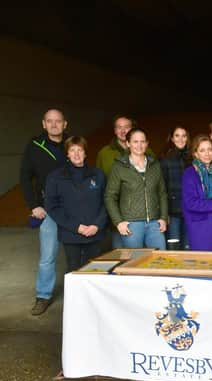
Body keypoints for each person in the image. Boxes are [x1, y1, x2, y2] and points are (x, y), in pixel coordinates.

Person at [20, 108, 68, 315]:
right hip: (48, 209)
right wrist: (33, 205)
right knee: (48, 256)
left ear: (65, 124)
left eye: (58, 121)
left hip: (73, 209)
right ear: (44, 124)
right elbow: (24, 177)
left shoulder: (73, 144)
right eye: (50, 121)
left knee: (79, 252)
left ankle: (82, 295)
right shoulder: (34, 146)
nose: (54, 124)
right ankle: (43, 296)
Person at [45, 136, 107, 271]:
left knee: (95, 272)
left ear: (85, 153)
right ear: (67, 153)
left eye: (80, 150)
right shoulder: (55, 177)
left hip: (94, 233)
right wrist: (76, 227)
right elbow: (52, 207)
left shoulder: (98, 174)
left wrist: (97, 225)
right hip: (71, 234)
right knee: (74, 271)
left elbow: (107, 202)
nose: (77, 154)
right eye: (72, 150)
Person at [104, 128, 168, 249]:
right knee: (134, 261)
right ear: (128, 143)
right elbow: (110, 196)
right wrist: (118, 222)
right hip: (131, 224)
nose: (139, 145)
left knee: (160, 259)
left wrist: (163, 217)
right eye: (135, 141)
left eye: (142, 141)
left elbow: (162, 193)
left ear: (147, 144)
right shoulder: (119, 167)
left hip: (154, 223)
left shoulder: (155, 165)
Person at [96, 115, 153, 249]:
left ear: (133, 129)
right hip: (116, 214)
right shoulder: (104, 153)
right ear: (115, 130)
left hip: (141, 214)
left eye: (126, 127)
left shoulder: (147, 151)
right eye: (119, 127)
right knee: (121, 253)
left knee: (145, 254)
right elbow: (100, 185)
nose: (123, 131)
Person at [160, 126, 191, 249]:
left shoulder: (192, 157)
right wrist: (164, 213)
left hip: (189, 211)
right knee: (174, 246)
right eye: (177, 135)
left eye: (184, 136)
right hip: (173, 212)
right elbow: (162, 188)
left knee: (188, 246)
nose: (181, 139)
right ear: (172, 138)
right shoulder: (165, 158)